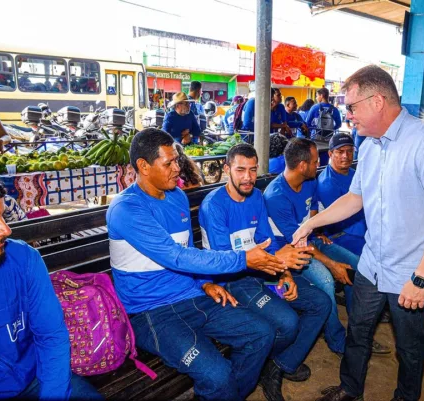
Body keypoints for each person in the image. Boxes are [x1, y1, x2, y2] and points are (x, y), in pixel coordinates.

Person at [292, 65, 424, 401]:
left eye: (352, 107)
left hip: (410, 271)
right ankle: (350, 388)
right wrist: (311, 223)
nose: (348, 115)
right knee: (359, 329)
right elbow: (355, 198)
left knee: (409, 344)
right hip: (373, 263)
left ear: (377, 102)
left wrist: (421, 279)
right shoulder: (369, 145)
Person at [106, 128, 295, 401]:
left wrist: (203, 282)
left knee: (261, 333)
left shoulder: (176, 196)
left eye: (176, 160)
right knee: (217, 373)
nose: (177, 168)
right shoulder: (127, 209)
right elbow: (175, 256)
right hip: (151, 312)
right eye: (168, 163)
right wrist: (243, 258)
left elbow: (187, 250)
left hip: (192, 295)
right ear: (143, 167)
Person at [199, 143, 331, 401]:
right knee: (287, 323)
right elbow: (225, 260)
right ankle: (261, 365)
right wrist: (273, 264)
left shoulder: (257, 197)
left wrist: (284, 273)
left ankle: (278, 364)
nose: (247, 177)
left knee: (320, 303)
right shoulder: (214, 205)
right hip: (235, 280)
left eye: (252, 170)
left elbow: (268, 241)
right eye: (240, 170)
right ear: (227, 170)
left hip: (263, 271)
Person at [0, 171, 103, 400]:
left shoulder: (21, 258)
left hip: (36, 376)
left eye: (2, 216)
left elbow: (51, 335)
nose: (6, 230)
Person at [263, 138, 360, 357]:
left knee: (357, 266)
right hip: (290, 251)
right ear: (302, 166)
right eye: (316, 161)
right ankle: (335, 337)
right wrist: (332, 264)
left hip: (312, 241)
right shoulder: (276, 196)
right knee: (326, 279)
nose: (319, 164)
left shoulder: (309, 181)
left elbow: (314, 210)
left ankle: (357, 329)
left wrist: (317, 230)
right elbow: (297, 242)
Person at [316, 133, 391, 355]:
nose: (345, 156)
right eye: (340, 152)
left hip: (360, 232)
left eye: (349, 151)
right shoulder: (327, 183)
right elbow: (339, 220)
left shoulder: (354, 173)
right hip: (340, 236)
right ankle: (360, 327)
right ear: (330, 154)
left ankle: (370, 312)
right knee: (363, 267)